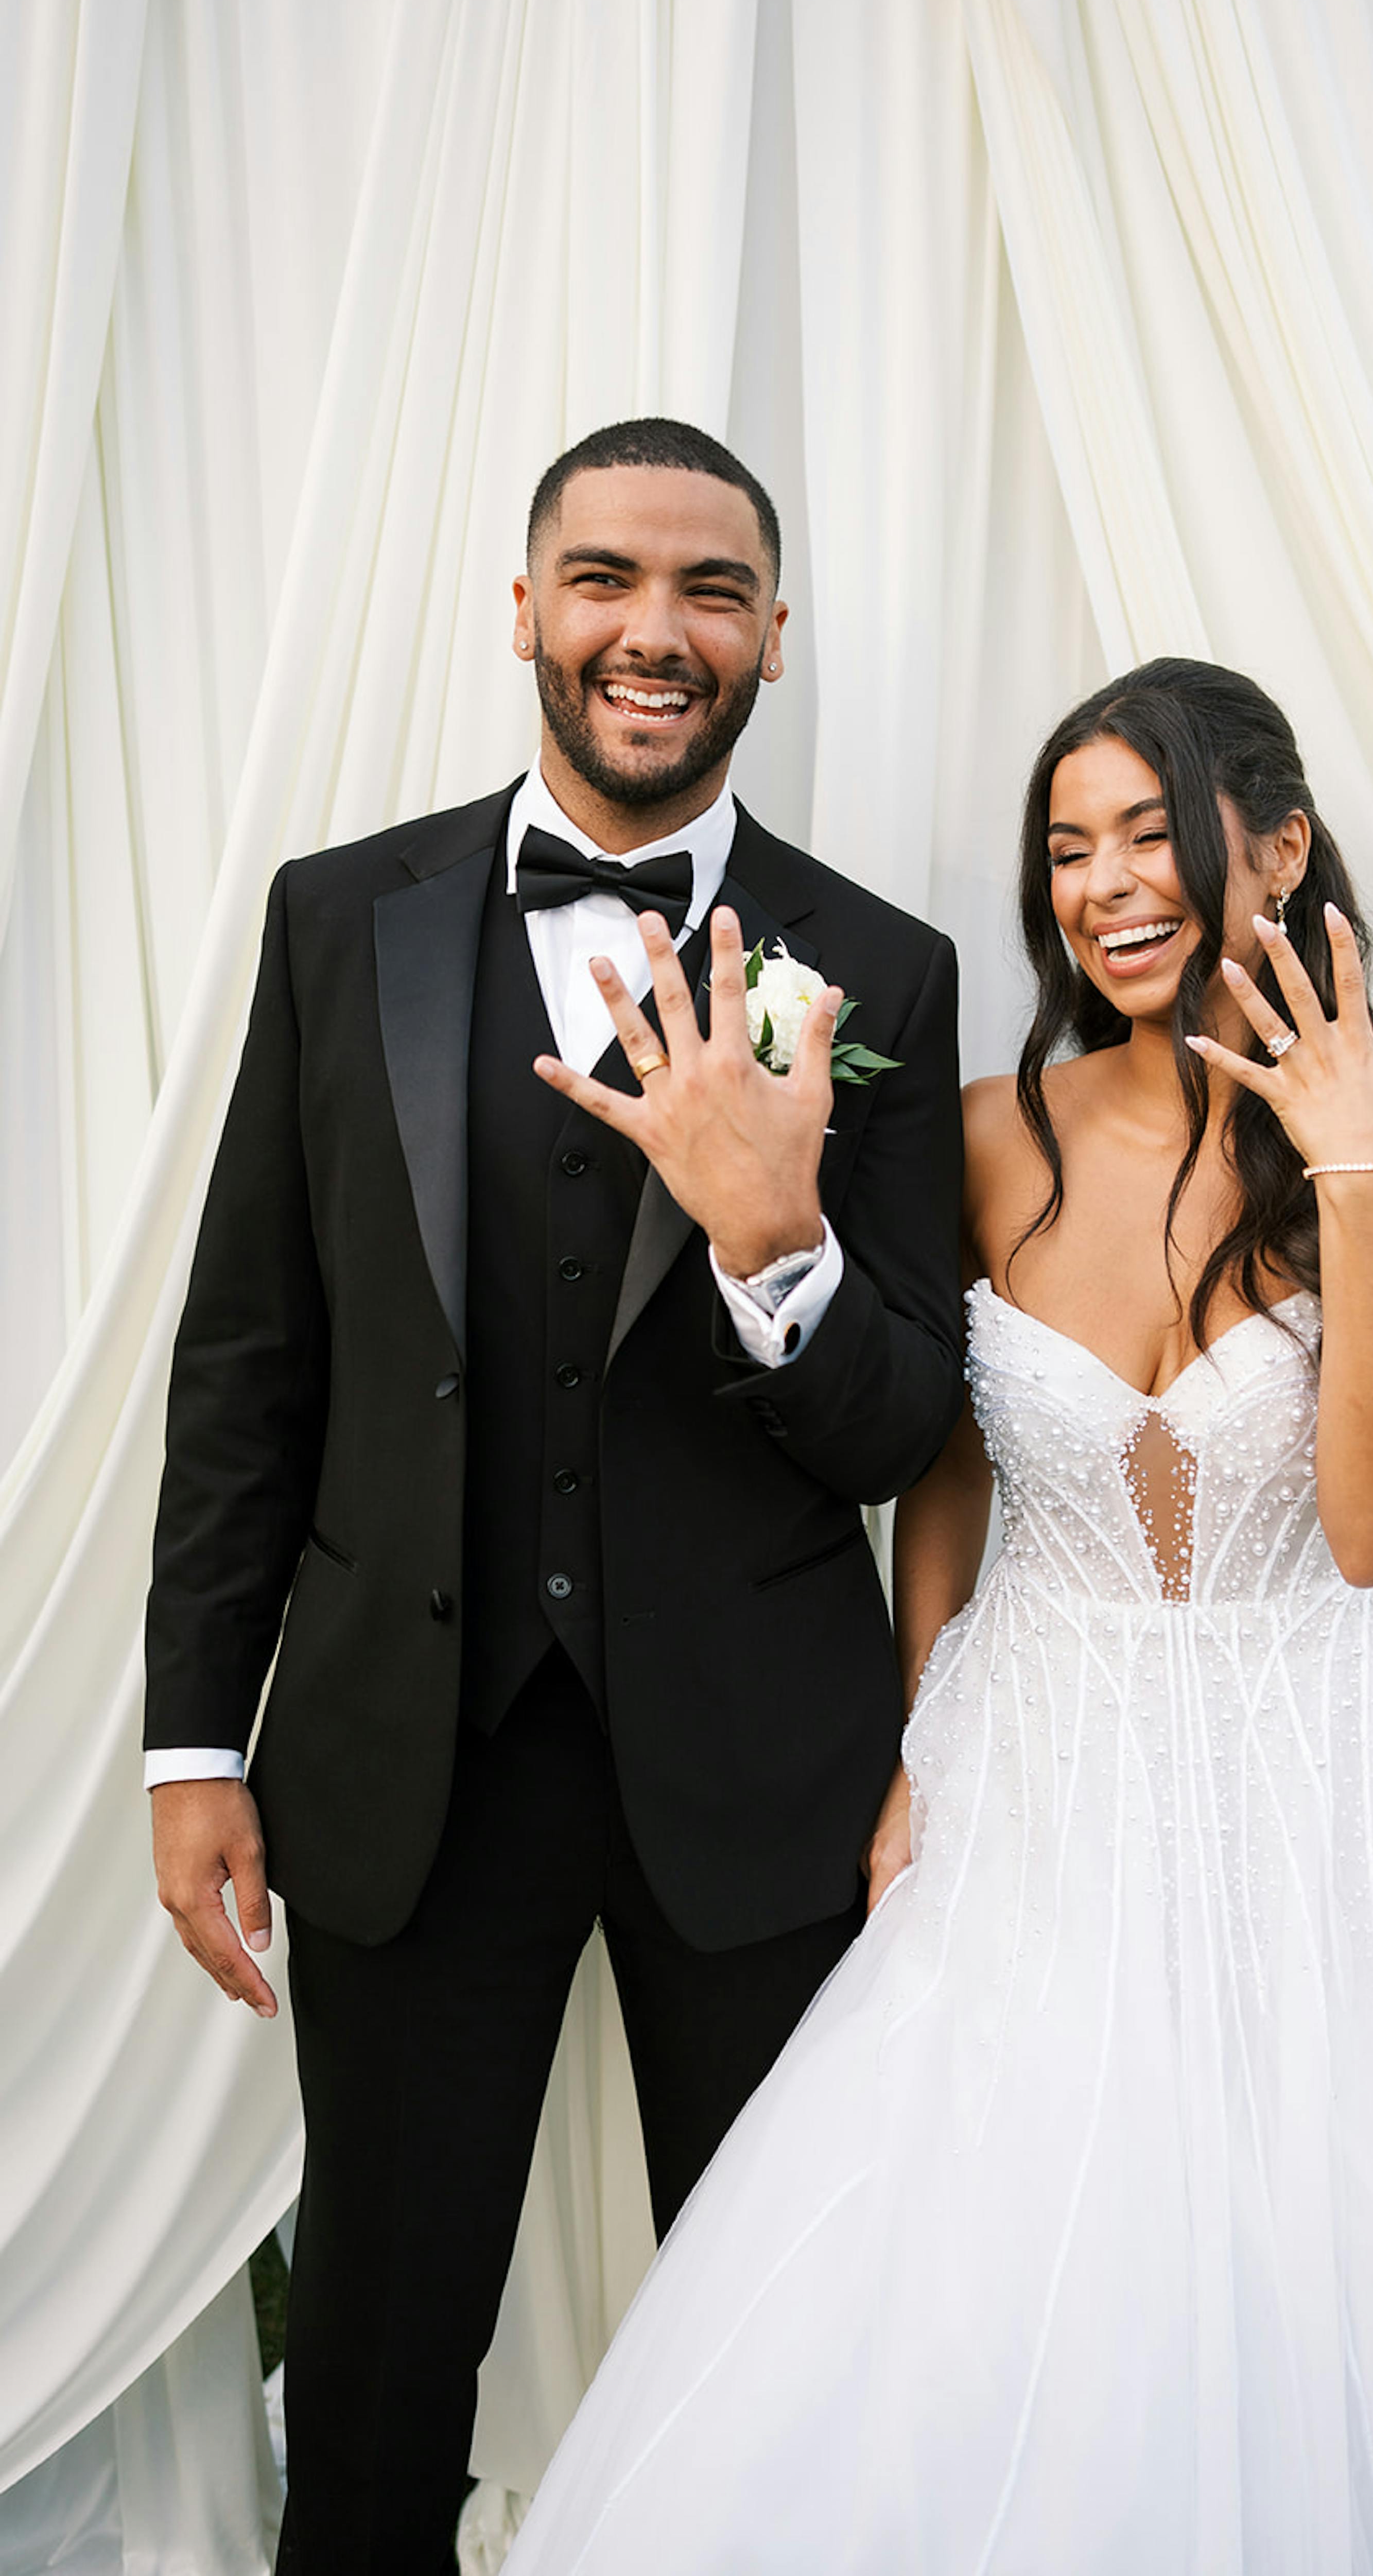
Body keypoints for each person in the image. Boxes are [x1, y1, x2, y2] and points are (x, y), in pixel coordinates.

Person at [503, 658, 1373, 2574]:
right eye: (1067, 847)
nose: (1101, 886)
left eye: (1151, 834)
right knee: (1007, 2254)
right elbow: (948, 1452)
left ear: (1281, 844)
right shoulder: (992, 1126)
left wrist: (1353, 1165)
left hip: (1342, 1758)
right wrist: (923, 1725)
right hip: (1039, 1752)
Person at [143, 417, 964, 2574]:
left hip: (766, 1782)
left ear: (774, 637)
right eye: (606, 578)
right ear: (527, 610)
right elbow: (252, 1359)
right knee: (386, 2373)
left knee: (787, 2365)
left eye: (711, 591)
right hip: (411, 1761)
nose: (653, 630)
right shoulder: (347, 920)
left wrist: (777, 1248)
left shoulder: (878, 966)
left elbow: (903, 1432)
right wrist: (187, 1742)